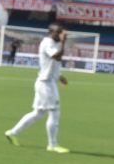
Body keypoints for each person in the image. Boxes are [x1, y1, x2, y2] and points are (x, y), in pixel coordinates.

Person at [4, 23, 69, 152]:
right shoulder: (47, 42)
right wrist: (63, 42)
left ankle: (12, 133)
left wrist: (59, 75)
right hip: (46, 84)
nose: (61, 34)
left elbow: (52, 63)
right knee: (55, 112)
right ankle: (52, 144)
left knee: (38, 113)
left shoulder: (54, 43)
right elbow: (56, 56)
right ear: (51, 32)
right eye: (58, 32)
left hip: (47, 82)